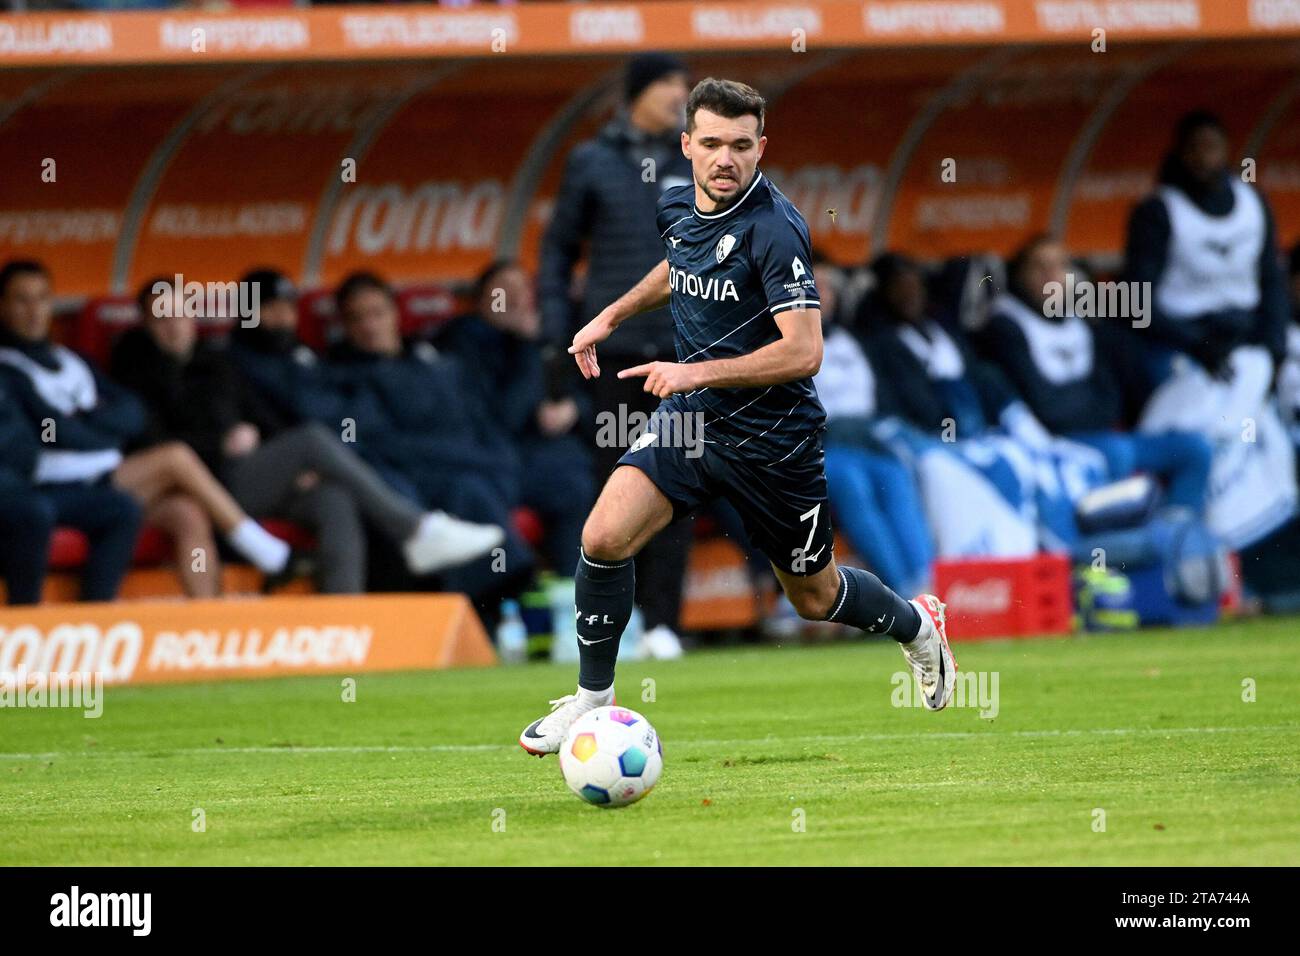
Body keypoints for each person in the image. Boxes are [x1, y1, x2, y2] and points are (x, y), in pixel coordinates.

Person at [519, 78, 957, 756]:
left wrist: (694, 369)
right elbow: (679, 264)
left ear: (761, 148)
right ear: (688, 144)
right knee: (604, 536)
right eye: (714, 144)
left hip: (774, 441)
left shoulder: (774, 231)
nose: (727, 159)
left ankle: (915, 625)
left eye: (742, 146)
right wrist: (610, 314)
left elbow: (804, 350)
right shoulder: (674, 201)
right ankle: (591, 701)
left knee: (814, 597)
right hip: (694, 422)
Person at [111, 275, 504, 595]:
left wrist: (293, 464)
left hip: (250, 477)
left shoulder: (218, 363)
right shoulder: (135, 370)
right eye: (163, 318)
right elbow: (150, 446)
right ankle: (417, 529)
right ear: (147, 325)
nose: (175, 326)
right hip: (202, 487)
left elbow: (269, 421)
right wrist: (220, 443)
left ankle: (340, 627)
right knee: (314, 439)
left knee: (333, 497)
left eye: (181, 314)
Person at [0, 259, 295, 597]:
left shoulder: (72, 359)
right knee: (174, 457)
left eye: (41, 299)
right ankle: (259, 547)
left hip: (107, 476)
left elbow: (130, 415)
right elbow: (56, 431)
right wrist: (90, 427)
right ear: (4, 306)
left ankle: (210, 623)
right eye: (22, 300)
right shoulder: (10, 367)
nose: (34, 311)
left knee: (189, 515)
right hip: (59, 484)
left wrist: (83, 424)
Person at [538, 52, 694, 660]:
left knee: (679, 478)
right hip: (617, 354)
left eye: (684, 85)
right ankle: (616, 622)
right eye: (667, 85)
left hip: (684, 353)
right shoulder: (591, 160)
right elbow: (556, 253)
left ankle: (665, 624)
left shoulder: (694, 158)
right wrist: (559, 331)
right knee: (618, 486)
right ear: (636, 93)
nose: (678, 95)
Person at [328, 271, 536, 622]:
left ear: (395, 315)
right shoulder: (346, 377)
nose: (369, 326)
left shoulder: (439, 361)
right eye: (357, 318)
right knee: (467, 492)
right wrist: (471, 462)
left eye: (377, 313)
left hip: (480, 467)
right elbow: (383, 445)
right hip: (423, 482)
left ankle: (593, 604)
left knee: (569, 478)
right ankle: (496, 602)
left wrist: (498, 465)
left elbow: (485, 423)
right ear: (345, 326)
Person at [985, 235, 1212, 514]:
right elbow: (1045, 409)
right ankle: (1120, 551)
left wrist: (1079, 403)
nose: (1051, 276)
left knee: (1194, 450)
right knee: (1118, 452)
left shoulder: (1082, 321)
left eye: (1060, 266)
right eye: (1039, 267)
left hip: (1102, 436)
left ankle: (1177, 538)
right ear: (1019, 276)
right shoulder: (1005, 324)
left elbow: (1111, 397)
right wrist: (1085, 403)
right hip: (1054, 448)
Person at [436, 260, 594, 572]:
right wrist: (526, 346)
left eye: (523, 290)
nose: (517, 300)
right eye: (504, 292)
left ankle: (583, 591)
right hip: (487, 458)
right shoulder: (464, 341)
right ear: (483, 299)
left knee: (588, 465)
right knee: (570, 479)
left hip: (535, 452)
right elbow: (505, 416)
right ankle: (568, 589)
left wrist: (573, 408)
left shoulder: (542, 337)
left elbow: (583, 388)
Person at [1124, 110, 1289, 382]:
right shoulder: (1158, 210)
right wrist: (1198, 344)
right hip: (1182, 337)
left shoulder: (1253, 202)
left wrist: (1274, 344)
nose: (1202, 158)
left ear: (1226, 150)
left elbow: (1271, 278)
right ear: (1180, 154)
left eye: (1211, 147)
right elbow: (1136, 300)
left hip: (1246, 331)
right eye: (1193, 149)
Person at [811, 256, 933, 597]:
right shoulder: (781, 342)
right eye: (814, 287)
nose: (823, 296)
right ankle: (902, 594)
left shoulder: (852, 339)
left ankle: (928, 585)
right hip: (825, 445)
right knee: (852, 483)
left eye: (828, 288)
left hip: (868, 439)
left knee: (898, 477)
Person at [0, 375, 142, 604]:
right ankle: (25, 617)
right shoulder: (14, 364)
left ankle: (96, 616)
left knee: (123, 507)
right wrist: (79, 432)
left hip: (35, 483)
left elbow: (135, 412)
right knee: (33, 512)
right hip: (32, 484)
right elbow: (51, 429)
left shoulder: (12, 376)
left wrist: (86, 420)